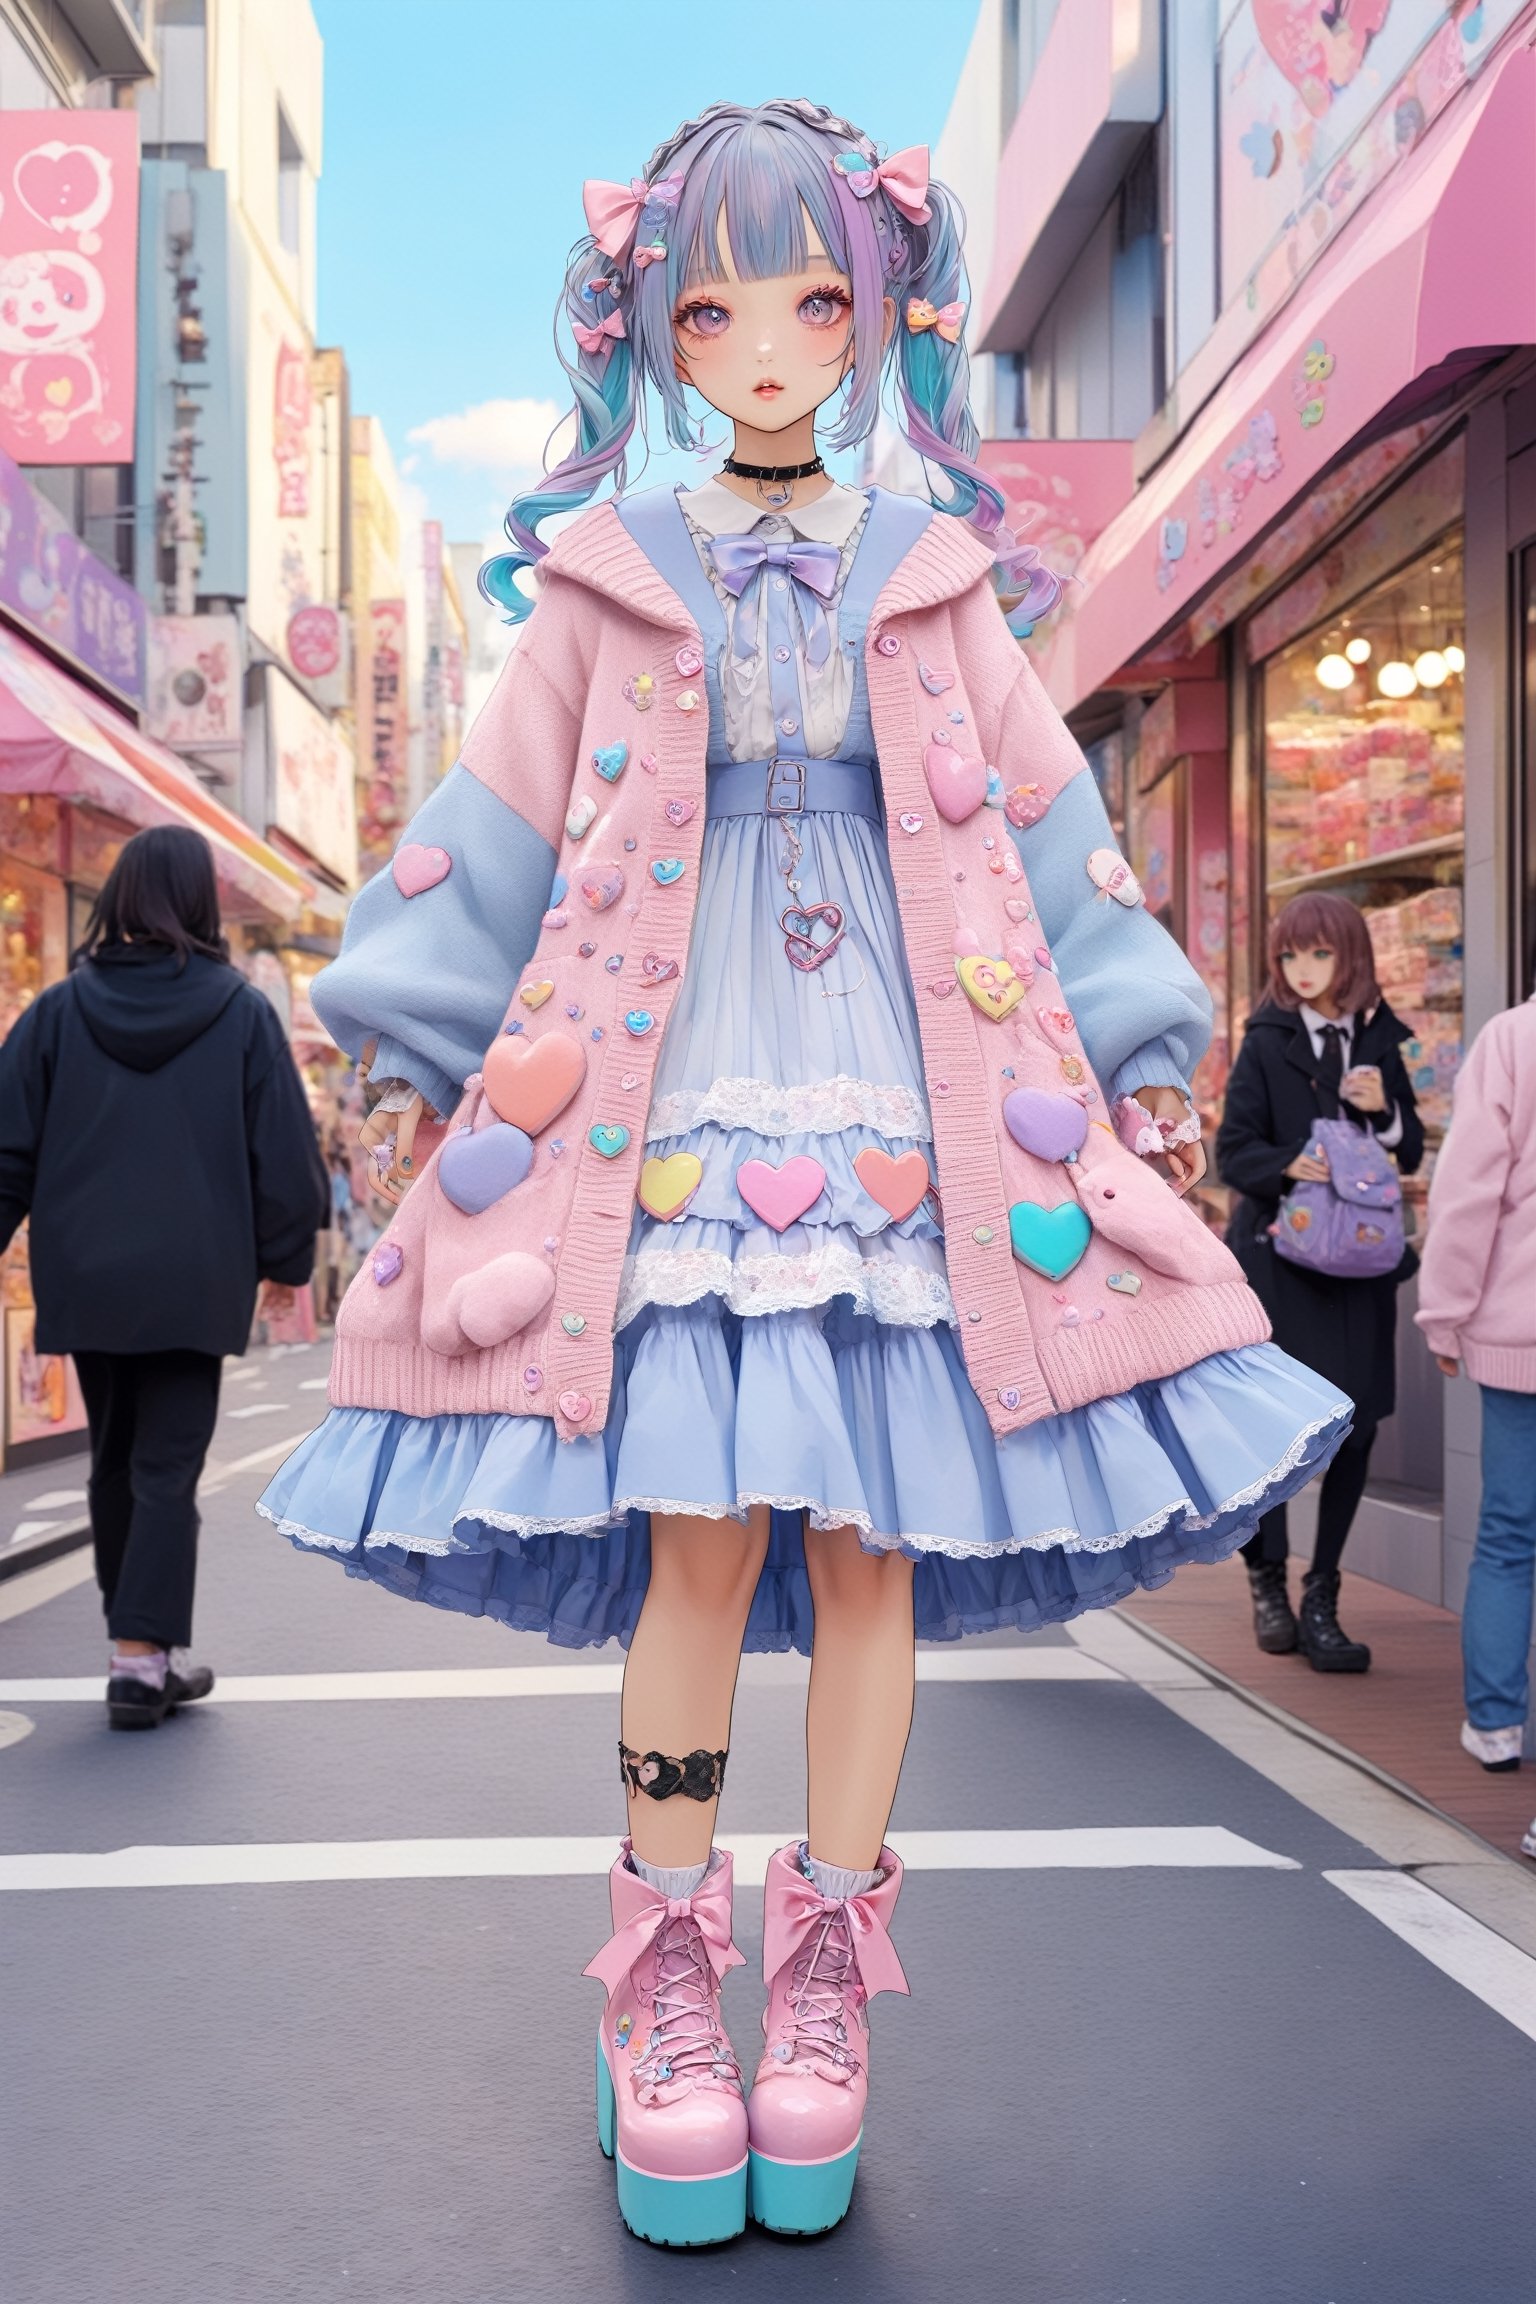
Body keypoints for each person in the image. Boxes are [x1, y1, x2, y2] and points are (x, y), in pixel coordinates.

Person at [258, 102, 1350, 2247]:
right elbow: (490, 813)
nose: (769, 344)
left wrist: (1123, 1032)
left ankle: (827, 1982)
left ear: (875, 316)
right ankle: (666, 1967)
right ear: (657, 333)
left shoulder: (931, 573)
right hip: (672, 1096)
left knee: (873, 1549)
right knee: (700, 1532)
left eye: (816, 296)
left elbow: (1051, 830)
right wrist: (417, 1020)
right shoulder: (608, 576)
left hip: (914, 1087)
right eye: (719, 303)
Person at [0, 825, 327, 1729]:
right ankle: (143, 1660)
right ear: (196, 902)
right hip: (196, 1276)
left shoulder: (58, 1014)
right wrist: (284, 1262)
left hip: (86, 1273)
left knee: (113, 1456)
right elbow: (286, 1159)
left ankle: (134, 1647)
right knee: (167, 1466)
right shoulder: (241, 1012)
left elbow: (6, 1149)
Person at [1216, 891, 1423, 1671]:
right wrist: (1285, 1165)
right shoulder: (1266, 1040)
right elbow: (1233, 1150)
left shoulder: (1378, 1042)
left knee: (1358, 1426)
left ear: (1351, 960)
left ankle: (1324, 1594)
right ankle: (1268, 1577)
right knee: (1278, 1433)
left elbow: (1409, 1153)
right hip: (1284, 1267)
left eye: (1319, 955)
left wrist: (1386, 1113)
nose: (1303, 971)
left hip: (1361, 1268)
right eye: (1291, 956)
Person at [1414, 987, 1536, 1815]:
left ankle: (1496, 1726)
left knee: (1508, 1532)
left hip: (1521, 1338)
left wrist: (1445, 1316)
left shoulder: (1513, 1040)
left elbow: (1467, 1193)